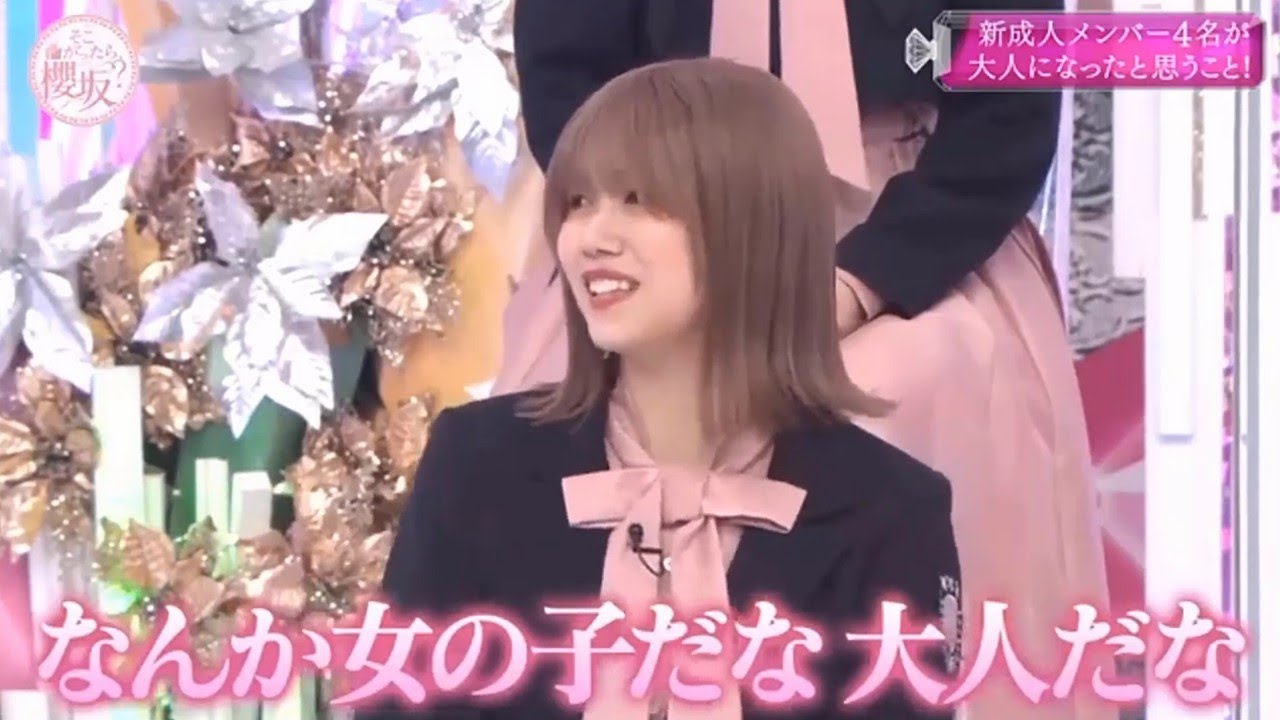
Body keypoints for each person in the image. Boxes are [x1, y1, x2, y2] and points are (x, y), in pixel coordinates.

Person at [501, 2, 1115, 719]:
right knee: (551, 416)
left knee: (890, 396)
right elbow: (566, 85)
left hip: (911, 222)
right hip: (657, 207)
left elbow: (1012, 109)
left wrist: (858, 283)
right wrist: (668, 229)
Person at [364, 58, 962, 720]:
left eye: (638, 199)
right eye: (578, 202)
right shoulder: (477, 462)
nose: (592, 237)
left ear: (752, 224)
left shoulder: (890, 510)